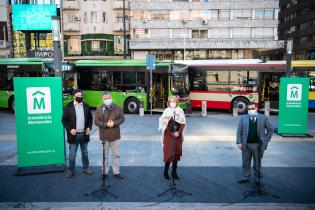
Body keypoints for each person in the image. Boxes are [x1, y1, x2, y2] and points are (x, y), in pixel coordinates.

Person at [236, 102, 274, 184]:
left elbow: (271, 129)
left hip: (258, 145)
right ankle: (245, 177)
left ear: (256, 109)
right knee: (245, 162)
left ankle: (258, 178)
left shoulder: (263, 118)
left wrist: (266, 140)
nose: (250, 110)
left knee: (257, 163)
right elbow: (239, 131)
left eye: (252, 109)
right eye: (249, 109)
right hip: (245, 145)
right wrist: (239, 142)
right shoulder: (243, 118)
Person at [62, 89, 93, 178]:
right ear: (73, 96)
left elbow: (90, 119)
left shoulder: (86, 106)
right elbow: (64, 120)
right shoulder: (68, 107)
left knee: (85, 152)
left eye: (81, 96)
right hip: (73, 135)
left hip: (84, 134)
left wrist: (88, 128)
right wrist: (69, 129)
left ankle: (86, 168)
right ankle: (71, 170)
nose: (80, 97)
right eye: (78, 96)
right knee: (72, 154)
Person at [94, 91, 125, 179]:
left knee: (116, 155)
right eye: (105, 98)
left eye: (108, 98)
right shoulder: (99, 109)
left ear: (111, 98)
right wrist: (105, 124)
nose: (107, 100)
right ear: (103, 99)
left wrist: (114, 123)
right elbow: (96, 121)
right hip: (104, 136)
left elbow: (122, 118)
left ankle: (116, 172)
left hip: (115, 135)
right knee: (105, 156)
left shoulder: (117, 107)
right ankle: (104, 172)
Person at [159, 96, 186, 180]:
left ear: (177, 102)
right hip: (168, 136)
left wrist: (178, 132)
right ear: (168, 102)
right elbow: (163, 124)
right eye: (171, 101)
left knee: (176, 154)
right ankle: (165, 172)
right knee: (169, 153)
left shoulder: (180, 111)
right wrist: (171, 132)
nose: (172, 103)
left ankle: (174, 173)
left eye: (174, 101)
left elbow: (183, 123)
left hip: (178, 136)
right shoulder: (166, 111)